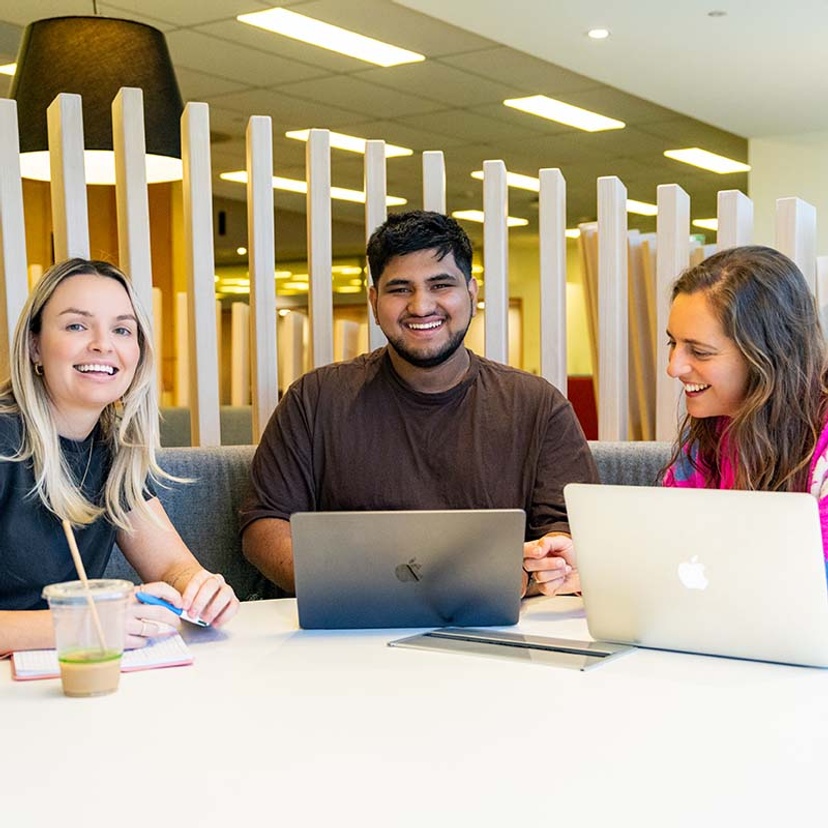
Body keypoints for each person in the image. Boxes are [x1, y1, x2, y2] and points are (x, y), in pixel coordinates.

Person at [241, 210, 598, 598]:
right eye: (399, 289)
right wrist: (346, 589)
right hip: (350, 625)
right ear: (374, 301)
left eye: (440, 284)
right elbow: (265, 523)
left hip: (492, 626)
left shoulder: (537, 405)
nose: (421, 306)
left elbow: (567, 530)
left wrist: (537, 571)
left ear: (472, 294)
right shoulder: (315, 399)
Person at [0, 258, 239, 655]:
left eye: (122, 330)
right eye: (77, 325)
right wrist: (84, 625)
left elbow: (171, 567)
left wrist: (202, 588)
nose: (103, 344)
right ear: (34, 346)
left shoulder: (111, 450)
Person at [663, 245, 828, 560]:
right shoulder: (703, 442)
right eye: (673, 342)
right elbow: (673, 550)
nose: (673, 367)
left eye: (699, 351)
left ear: (767, 355)